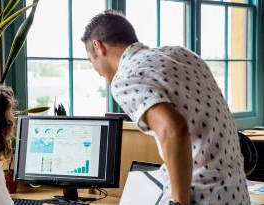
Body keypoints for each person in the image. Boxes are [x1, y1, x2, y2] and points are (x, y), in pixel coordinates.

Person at [81, 10, 250, 205]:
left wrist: (178, 202)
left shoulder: (125, 77)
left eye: (91, 60)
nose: (96, 71)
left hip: (200, 196)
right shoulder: (182, 55)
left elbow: (173, 128)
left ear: (98, 46)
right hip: (236, 192)